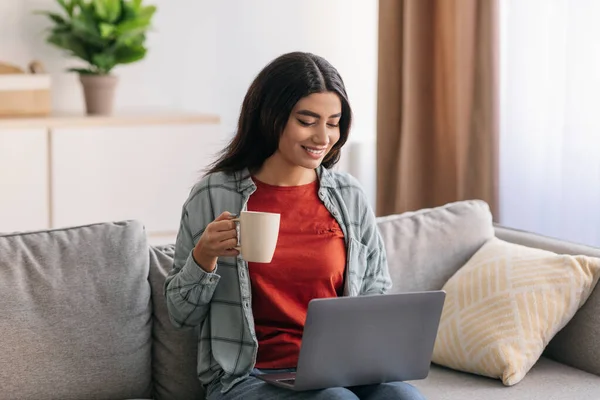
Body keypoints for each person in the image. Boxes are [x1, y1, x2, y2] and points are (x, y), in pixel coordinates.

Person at [164, 51, 426, 400]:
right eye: (307, 121)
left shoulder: (348, 195)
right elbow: (181, 315)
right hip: (250, 377)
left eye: (333, 122)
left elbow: (376, 291)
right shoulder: (214, 195)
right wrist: (204, 257)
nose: (323, 137)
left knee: (403, 397)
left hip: (342, 369)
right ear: (271, 118)